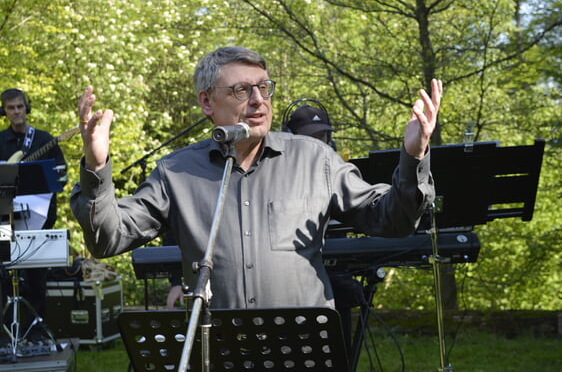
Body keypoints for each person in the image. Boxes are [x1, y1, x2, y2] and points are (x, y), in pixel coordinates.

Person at [71, 46, 441, 312]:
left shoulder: (315, 160)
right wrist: (96, 163)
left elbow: (392, 219)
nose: (258, 100)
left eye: (264, 87)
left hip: (303, 347)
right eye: (241, 90)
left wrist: (413, 155)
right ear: (206, 102)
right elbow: (107, 238)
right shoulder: (176, 173)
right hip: (217, 350)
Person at [284, 102, 363, 354]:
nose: (319, 143)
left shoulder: (339, 172)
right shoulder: (277, 175)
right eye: (311, 137)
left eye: (323, 136)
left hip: (338, 279)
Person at [0, 88, 67, 344]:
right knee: (5, 272)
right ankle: (9, 333)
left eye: (20, 107)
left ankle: (36, 331)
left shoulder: (44, 140)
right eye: (10, 108)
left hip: (39, 219)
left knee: (37, 276)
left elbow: (60, 175)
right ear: (4, 111)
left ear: (27, 108)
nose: (16, 112)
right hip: (4, 220)